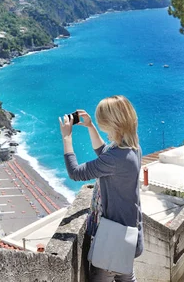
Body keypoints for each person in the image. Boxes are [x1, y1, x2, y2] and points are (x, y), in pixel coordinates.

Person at [59, 95, 143, 282]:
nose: (98, 122)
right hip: (128, 234)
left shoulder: (116, 159)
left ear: (112, 123)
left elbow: (75, 173)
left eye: (99, 120)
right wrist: (90, 127)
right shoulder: (132, 148)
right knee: (127, 276)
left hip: (113, 239)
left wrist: (67, 138)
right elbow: (104, 153)